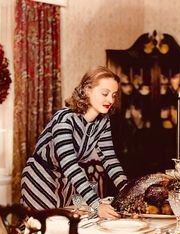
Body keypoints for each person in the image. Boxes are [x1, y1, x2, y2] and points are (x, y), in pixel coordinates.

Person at [20, 66, 128, 219]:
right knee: (42, 230)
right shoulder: (64, 119)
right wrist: (96, 205)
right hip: (40, 178)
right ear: (87, 90)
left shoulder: (103, 122)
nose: (110, 100)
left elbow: (110, 160)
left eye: (114, 95)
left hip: (66, 181)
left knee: (67, 229)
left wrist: (127, 189)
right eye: (105, 93)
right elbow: (69, 164)